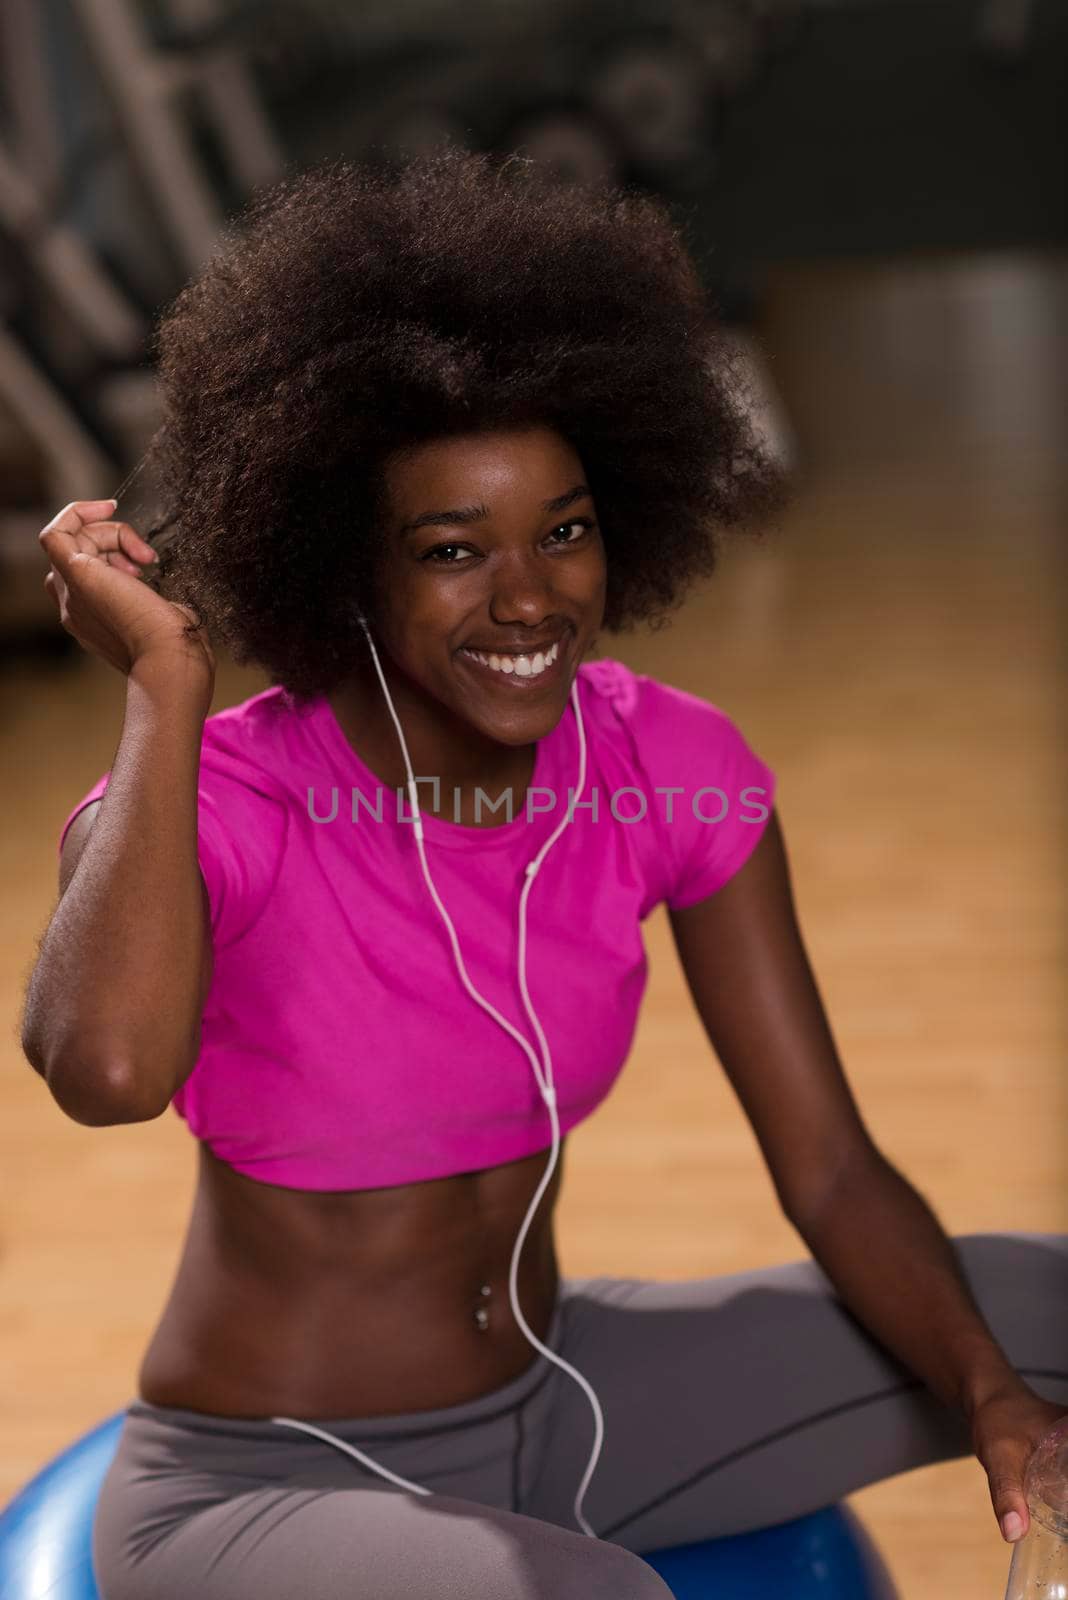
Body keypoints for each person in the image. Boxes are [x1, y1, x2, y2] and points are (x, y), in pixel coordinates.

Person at [22, 150, 1068, 1600]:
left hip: (561, 1408)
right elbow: (106, 1070)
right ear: (343, 566)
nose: (528, 598)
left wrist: (990, 1393)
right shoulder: (225, 799)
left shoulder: (668, 767)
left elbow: (829, 1166)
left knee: (1048, 1312)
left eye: (562, 531)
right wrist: (163, 680)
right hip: (260, 1480)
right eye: (453, 550)